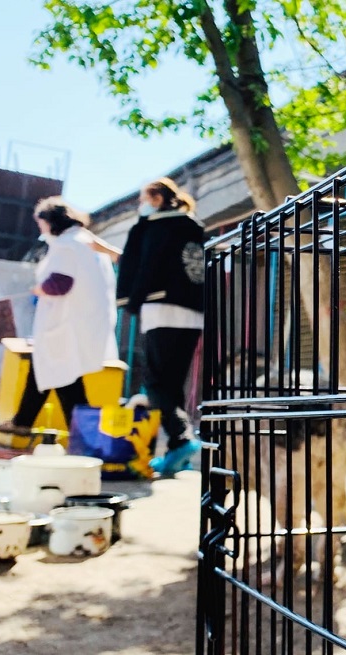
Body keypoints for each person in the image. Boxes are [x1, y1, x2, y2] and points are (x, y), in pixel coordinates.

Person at [0, 197, 118, 437]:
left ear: (52, 222)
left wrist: (40, 289)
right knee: (47, 369)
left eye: (41, 224)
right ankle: (23, 421)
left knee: (62, 375)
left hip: (64, 324)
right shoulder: (84, 241)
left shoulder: (66, 244)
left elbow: (60, 283)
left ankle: (85, 435)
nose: (40, 230)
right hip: (79, 322)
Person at [111, 177, 205, 476]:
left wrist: (132, 301)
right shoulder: (193, 227)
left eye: (143, 198)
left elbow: (146, 266)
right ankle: (179, 454)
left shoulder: (155, 227)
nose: (141, 205)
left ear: (155, 199)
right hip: (193, 312)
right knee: (173, 381)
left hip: (161, 308)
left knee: (154, 381)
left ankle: (181, 437)